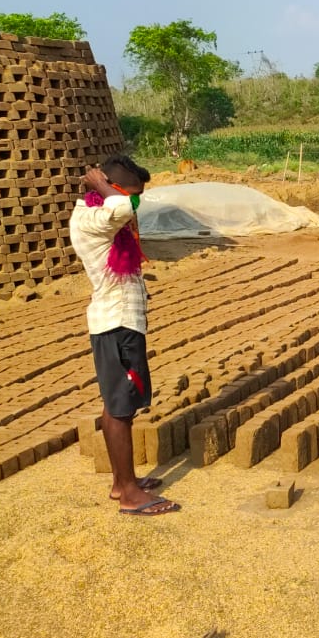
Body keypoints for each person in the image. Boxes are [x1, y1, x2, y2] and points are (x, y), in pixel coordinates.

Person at [69, 155, 180, 516]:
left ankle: (122, 482)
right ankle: (130, 494)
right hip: (115, 325)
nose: (135, 205)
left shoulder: (106, 216)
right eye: (133, 196)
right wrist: (102, 186)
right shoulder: (94, 218)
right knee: (120, 407)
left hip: (123, 323)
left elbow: (120, 209)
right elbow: (118, 208)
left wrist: (114, 194)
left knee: (120, 402)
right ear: (109, 189)